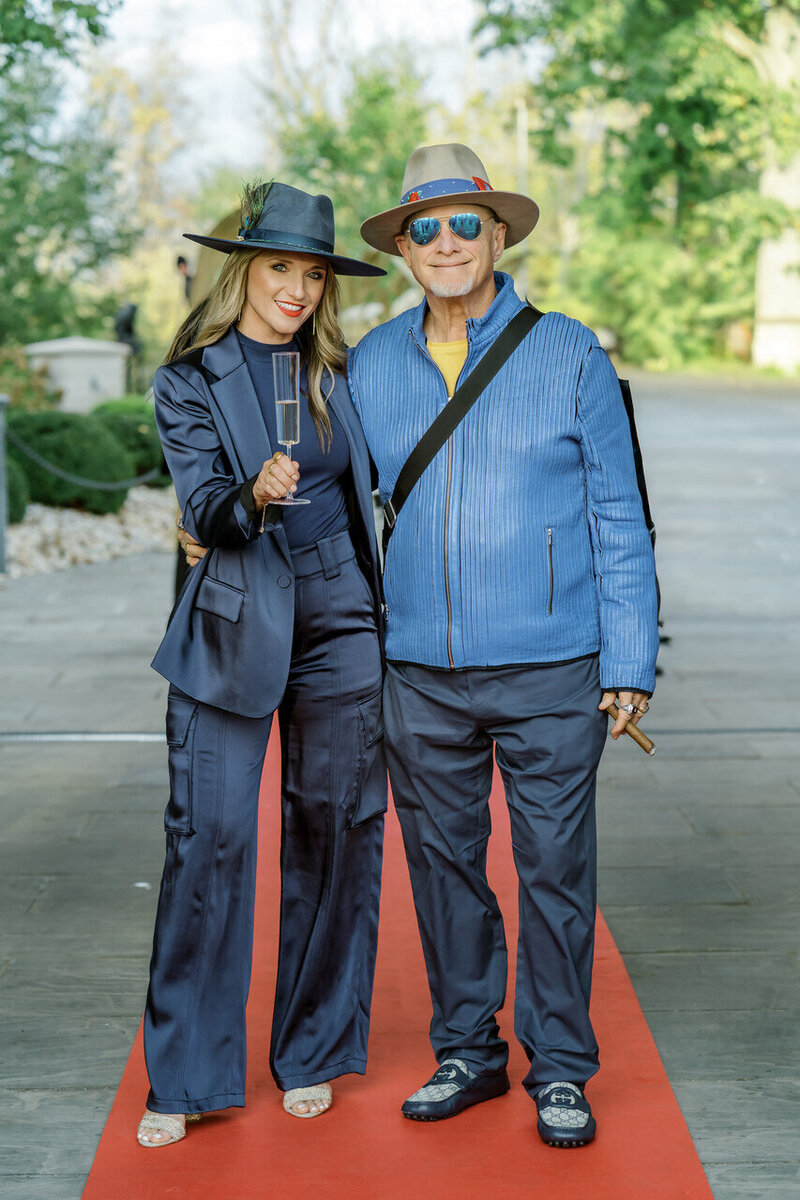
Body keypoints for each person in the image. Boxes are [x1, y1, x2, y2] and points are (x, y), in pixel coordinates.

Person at [347, 143, 659, 1147]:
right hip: (418, 675)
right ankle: (467, 1051)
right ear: (402, 247)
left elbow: (618, 513)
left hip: (551, 665)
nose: (445, 242)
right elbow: (341, 516)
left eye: (463, 223)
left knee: (555, 869)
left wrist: (628, 662)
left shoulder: (566, 351)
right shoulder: (371, 363)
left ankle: (559, 1067)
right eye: (423, 228)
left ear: (498, 233)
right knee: (442, 868)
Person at [137, 180, 387, 1148]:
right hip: (237, 612)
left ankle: (314, 1048)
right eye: (280, 268)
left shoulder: (345, 370)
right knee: (211, 841)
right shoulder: (190, 377)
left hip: (342, 620)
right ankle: (188, 1072)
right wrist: (246, 496)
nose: (296, 289)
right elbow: (202, 509)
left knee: (336, 830)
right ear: (246, 268)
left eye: (313, 275)